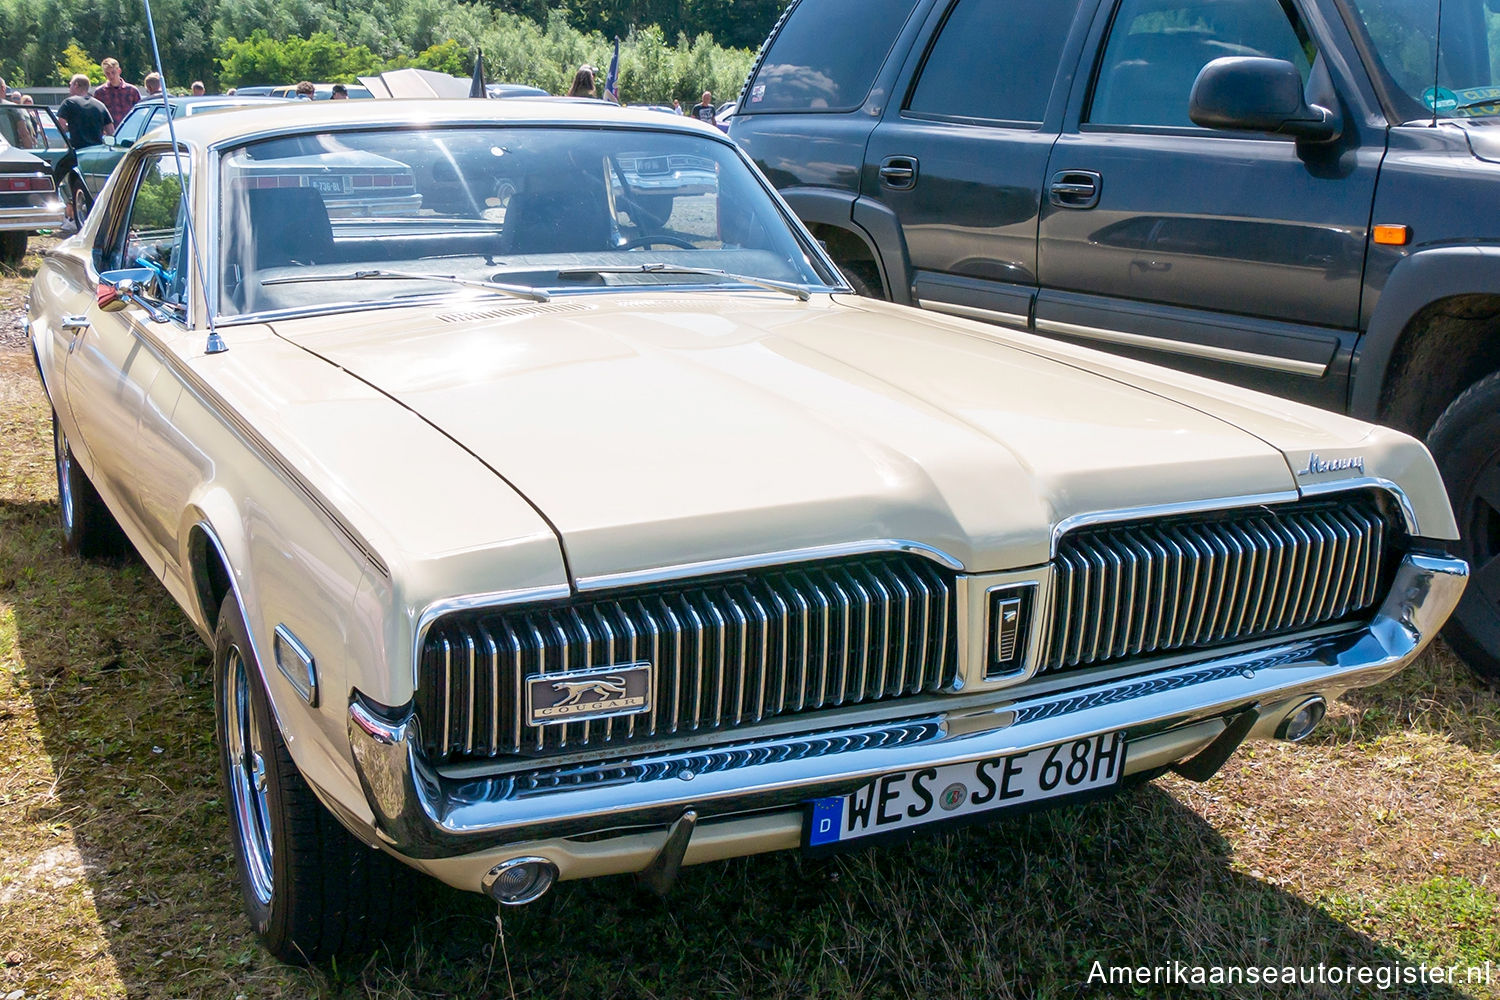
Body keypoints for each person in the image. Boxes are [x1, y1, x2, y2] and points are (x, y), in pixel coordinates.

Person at [95, 57, 141, 124]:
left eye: (113, 72)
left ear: (119, 71)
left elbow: (139, 113)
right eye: (107, 73)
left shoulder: (132, 91)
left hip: (130, 129)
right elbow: (97, 115)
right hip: (109, 132)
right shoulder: (100, 92)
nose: (111, 76)